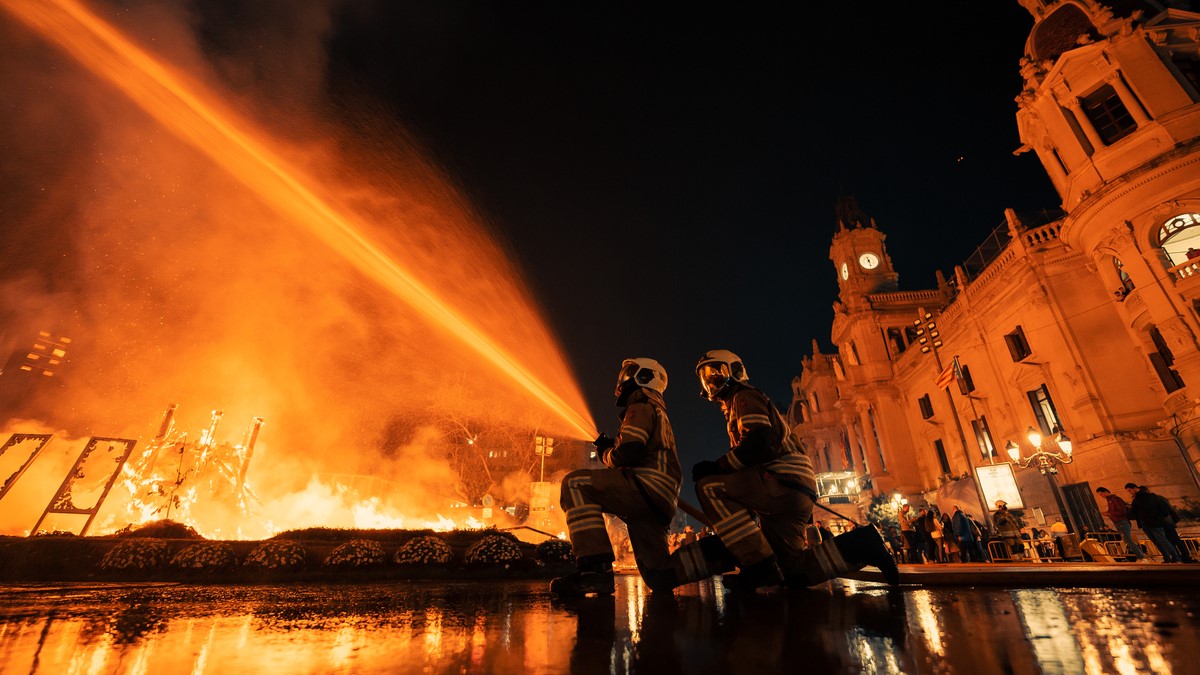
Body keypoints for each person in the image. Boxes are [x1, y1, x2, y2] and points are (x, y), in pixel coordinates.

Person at [654, 350, 898, 591]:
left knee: (710, 486)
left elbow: (758, 441)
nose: (711, 381)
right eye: (706, 377)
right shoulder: (737, 405)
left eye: (717, 373)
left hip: (781, 482)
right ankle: (864, 545)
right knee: (791, 570)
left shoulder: (744, 397)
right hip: (791, 491)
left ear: (736, 372)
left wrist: (718, 467)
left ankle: (758, 564)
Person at [551, 358, 681, 596]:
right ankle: (718, 555)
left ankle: (595, 571)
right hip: (660, 498)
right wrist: (613, 448)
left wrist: (606, 453)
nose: (623, 378)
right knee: (659, 575)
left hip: (645, 487)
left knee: (575, 484)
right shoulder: (656, 409)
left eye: (630, 372)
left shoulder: (640, 405)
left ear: (645, 377)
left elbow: (629, 452)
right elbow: (635, 449)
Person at [1125, 483, 1191, 563]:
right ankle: (1176, 558)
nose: (1130, 493)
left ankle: (1175, 557)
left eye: (1130, 490)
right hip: (1159, 522)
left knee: (1164, 541)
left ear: (1135, 488)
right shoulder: (1154, 497)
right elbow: (1165, 510)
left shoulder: (1140, 500)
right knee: (1167, 540)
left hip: (1156, 523)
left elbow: (1134, 514)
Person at [1096, 486, 1144, 560]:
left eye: (1101, 494)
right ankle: (1139, 555)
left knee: (1128, 539)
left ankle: (1140, 556)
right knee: (1126, 540)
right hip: (1119, 522)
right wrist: (1108, 513)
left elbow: (1122, 511)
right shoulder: (1110, 500)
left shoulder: (1115, 499)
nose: (1101, 497)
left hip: (1122, 521)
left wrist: (1109, 514)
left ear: (1105, 492)